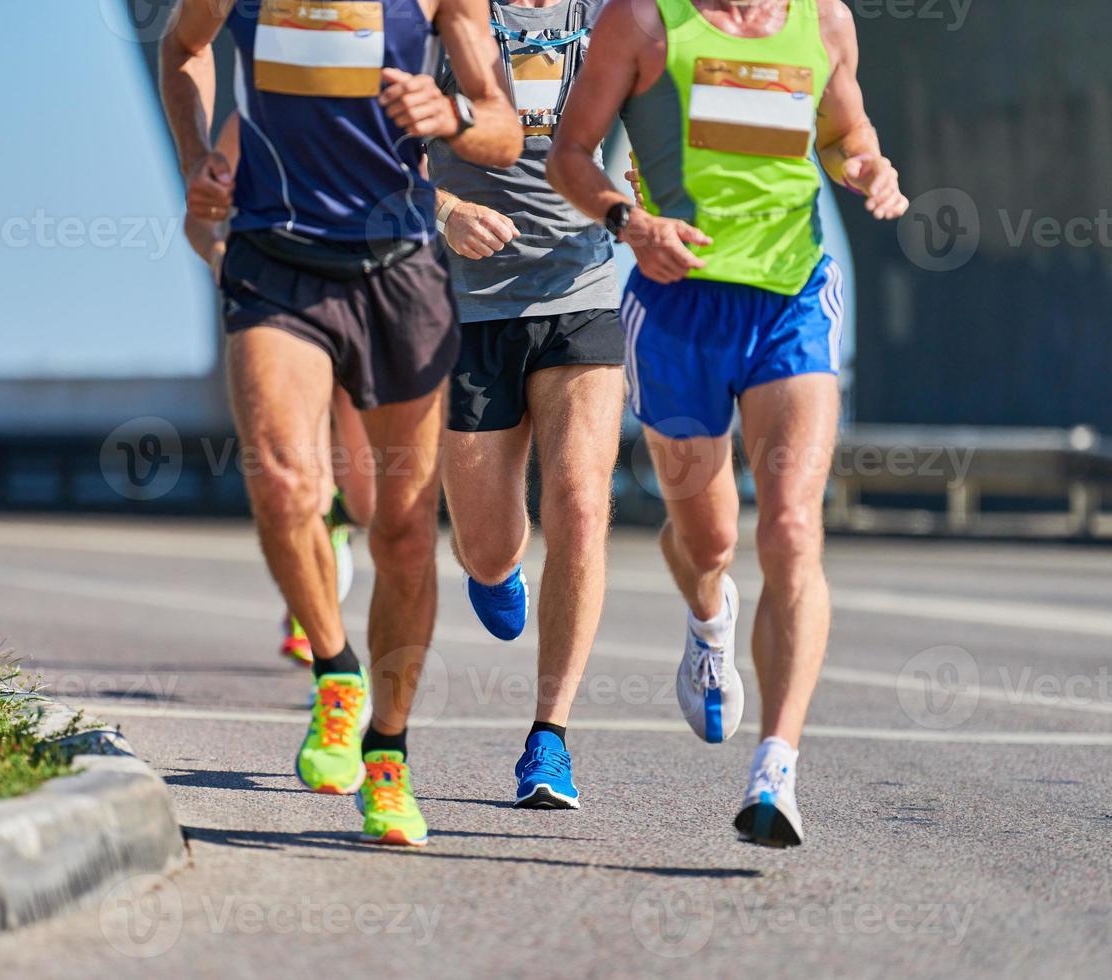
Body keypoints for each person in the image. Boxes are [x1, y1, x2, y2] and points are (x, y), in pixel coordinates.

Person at [161, 0, 521, 847]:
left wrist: (457, 117)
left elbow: (502, 127)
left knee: (399, 531)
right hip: (274, 256)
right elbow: (184, 47)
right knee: (285, 485)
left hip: (397, 269)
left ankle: (388, 754)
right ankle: (334, 671)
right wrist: (199, 159)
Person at [548, 0, 907, 846]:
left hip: (792, 302)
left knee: (788, 528)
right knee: (709, 541)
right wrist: (628, 223)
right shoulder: (640, 22)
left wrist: (868, 168)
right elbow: (570, 155)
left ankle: (775, 769)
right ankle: (709, 612)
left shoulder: (822, 20)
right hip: (677, 311)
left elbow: (845, 133)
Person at [426, 0, 623, 809]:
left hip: (580, 289)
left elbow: (666, 106)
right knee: (489, 544)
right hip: (465, 307)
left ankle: (550, 738)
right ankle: (493, 567)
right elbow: (375, 145)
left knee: (579, 505)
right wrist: (444, 211)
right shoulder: (443, 16)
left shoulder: (609, 14)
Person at [182, 115, 377, 668]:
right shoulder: (254, 118)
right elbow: (199, 221)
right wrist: (221, 260)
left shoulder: (390, 97)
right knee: (297, 477)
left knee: (370, 503)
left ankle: (337, 522)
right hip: (284, 311)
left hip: (373, 309)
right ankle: (327, 645)